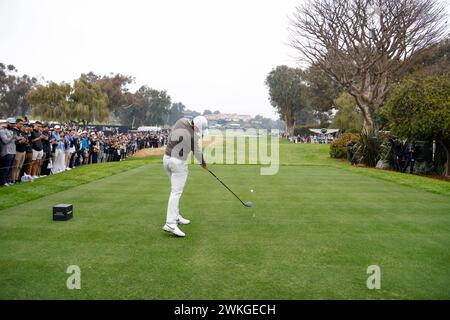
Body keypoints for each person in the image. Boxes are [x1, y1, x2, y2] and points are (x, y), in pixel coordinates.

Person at [162, 116, 208, 237]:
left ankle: (176, 216)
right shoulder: (192, 136)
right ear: (196, 125)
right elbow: (197, 151)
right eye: (199, 129)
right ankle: (170, 223)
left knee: (175, 191)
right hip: (177, 163)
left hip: (166, 159)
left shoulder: (181, 120)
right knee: (176, 192)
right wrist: (203, 163)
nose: (199, 132)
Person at [0, 118, 18, 186]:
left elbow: (13, 142)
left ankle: (7, 181)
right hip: (6, 152)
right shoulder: (2, 131)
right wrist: (13, 136)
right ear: (7, 123)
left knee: (10, 168)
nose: (13, 125)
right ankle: (3, 182)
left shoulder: (13, 131)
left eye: (13, 123)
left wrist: (19, 140)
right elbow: (5, 141)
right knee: (5, 168)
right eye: (11, 123)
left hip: (13, 151)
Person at [12, 118, 28, 183]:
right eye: (20, 124)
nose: (21, 125)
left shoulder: (21, 131)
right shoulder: (14, 131)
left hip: (23, 150)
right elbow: (14, 142)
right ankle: (12, 180)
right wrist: (21, 141)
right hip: (17, 151)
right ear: (16, 123)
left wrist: (26, 141)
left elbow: (25, 139)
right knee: (15, 167)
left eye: (22, 124)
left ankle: (16, 179)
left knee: (19, 167)